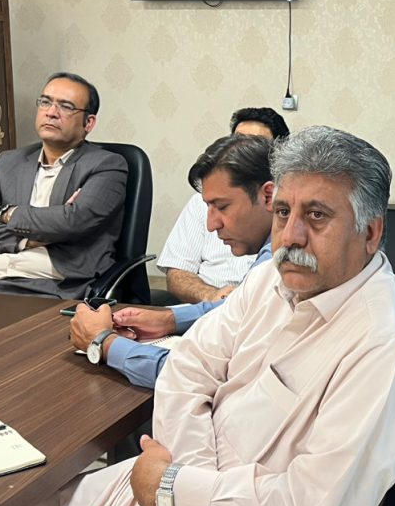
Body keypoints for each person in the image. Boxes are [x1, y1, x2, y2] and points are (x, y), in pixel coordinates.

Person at [0, 126, 395, 506]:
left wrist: (175, 488)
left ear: (370, 232)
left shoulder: (386, 340)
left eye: (317, 216)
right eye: (283, 212)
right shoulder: (273, 280)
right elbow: (186, 369)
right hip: (200, 497)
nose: (291, 236)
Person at [70, 134, 275, 388]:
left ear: (268, 196)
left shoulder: (282, 266)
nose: (211, 225)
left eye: (222, 207)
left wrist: (103, 342)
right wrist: (169, 320)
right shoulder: (274, 253)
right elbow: (239, 310)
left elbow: (201, 377)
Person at [0, 72, 126, 299]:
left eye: (66, 106)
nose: (51, 112)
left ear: (89, 123)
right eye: (46, 102)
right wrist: (27, 240)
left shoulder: (107, 165)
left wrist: (8, 214)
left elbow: (71, 222)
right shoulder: (9, 162)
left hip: (53, 288)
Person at [157, 107, 290, 303]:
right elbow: (177, 272)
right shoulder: (200, 202)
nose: (212, 224)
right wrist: (211, 296)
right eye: (237, 142)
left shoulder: (291, 227)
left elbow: (244, 308)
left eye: (254, 146)